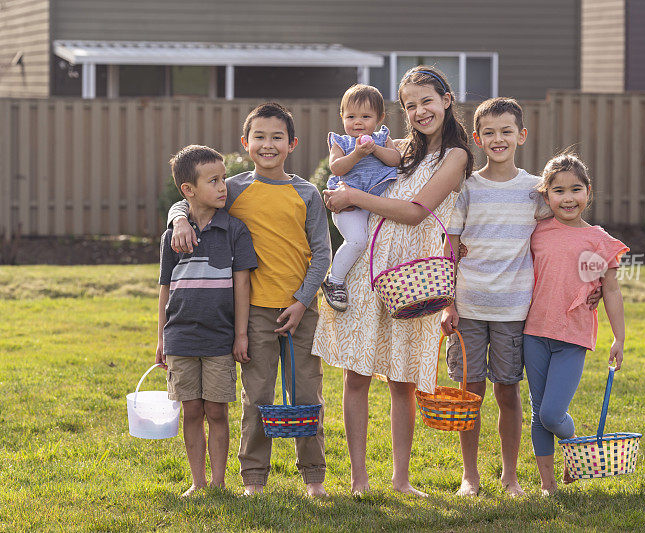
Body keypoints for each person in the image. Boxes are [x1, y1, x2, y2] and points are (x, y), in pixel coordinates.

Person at [314, 65, 473, 496]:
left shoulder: (454, 156)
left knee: (403, 379)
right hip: (369, 270)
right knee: (357, 375)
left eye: (427, 101)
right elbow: (349, 166)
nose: (420, 111)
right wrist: (344, 186)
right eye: (411, 105)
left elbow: (417, 211)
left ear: (446, 100)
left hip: (413, 277)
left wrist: (353, 197)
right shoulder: (399, 149)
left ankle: (401, 479)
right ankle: (359, 479)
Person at [167, 104, 332, 498]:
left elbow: (322, 253)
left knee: (307, 395)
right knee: (257, 397)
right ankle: (254, 480)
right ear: (246, 143)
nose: (268, 144)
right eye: (259, 137)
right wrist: (178, 219)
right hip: (254, 313)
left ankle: (314, 478)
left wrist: (302, 300)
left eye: (277, 137)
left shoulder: (306, 193)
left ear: (291, 144)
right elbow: (189, 200)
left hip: (301, 311)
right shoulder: (234, 188)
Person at [440, 97, 548, 497]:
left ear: (521, 135)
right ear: (477, 139)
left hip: (513, 309)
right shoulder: (467, 188)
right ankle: (470, 475)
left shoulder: (535, 191)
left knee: (507, 390)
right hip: (468, 306)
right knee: (471, 395)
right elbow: (449, 248)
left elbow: (557, 238)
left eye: (507, 131)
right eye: (490, 132)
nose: (498, 139)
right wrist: (447, 303)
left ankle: (510, 475)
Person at [522, 152, 628, 496]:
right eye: (559, 191)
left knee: (553, 413)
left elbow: (610, 291)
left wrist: (619, 338)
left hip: (573, 336)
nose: (568, 198)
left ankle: (575, 444)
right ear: (546, 194)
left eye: (576, 190)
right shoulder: (536, 233)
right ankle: (548, 485)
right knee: (539, 413)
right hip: (534, 334)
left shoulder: (599, 241)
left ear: (588, 192)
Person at [156, 145, 258, 498]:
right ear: (188, 190)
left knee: (216, 409)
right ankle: (197, 481)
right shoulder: (172, 236)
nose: (222, 187)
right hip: (181, 337)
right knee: (192, 410)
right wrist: (161, 339)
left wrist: (241, 335)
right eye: (213, 181)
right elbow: (165, 290)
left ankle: (218, 481)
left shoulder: (234, 230)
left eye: (223, 178)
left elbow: (243, 285)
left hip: (219, 337)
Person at [321, 84, 402, 312]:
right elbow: (337, 168)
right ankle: (334, 280)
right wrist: (356, 154)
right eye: (351, 116)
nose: (358, 122)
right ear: (342, 117)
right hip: (350, 206)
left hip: (377, 205)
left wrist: (374, 148)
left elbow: (395, 160)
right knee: (357, 241)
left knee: (374, 250)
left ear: (379, 118)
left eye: (366, 116)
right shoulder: (341, 142)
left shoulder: (382, 137)